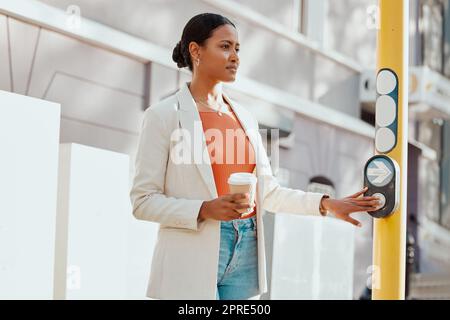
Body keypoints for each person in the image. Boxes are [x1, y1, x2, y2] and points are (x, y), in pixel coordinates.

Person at [129, 12, 381, 300]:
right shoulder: (163, 116)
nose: (235, 56)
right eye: (225, 47)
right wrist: (204, 209)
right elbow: (143, 201)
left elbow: (269, 193)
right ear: (195, 51)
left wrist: (327, 205)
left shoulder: (245, 118)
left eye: (237, 48)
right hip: (192, 252)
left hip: (247, 248)